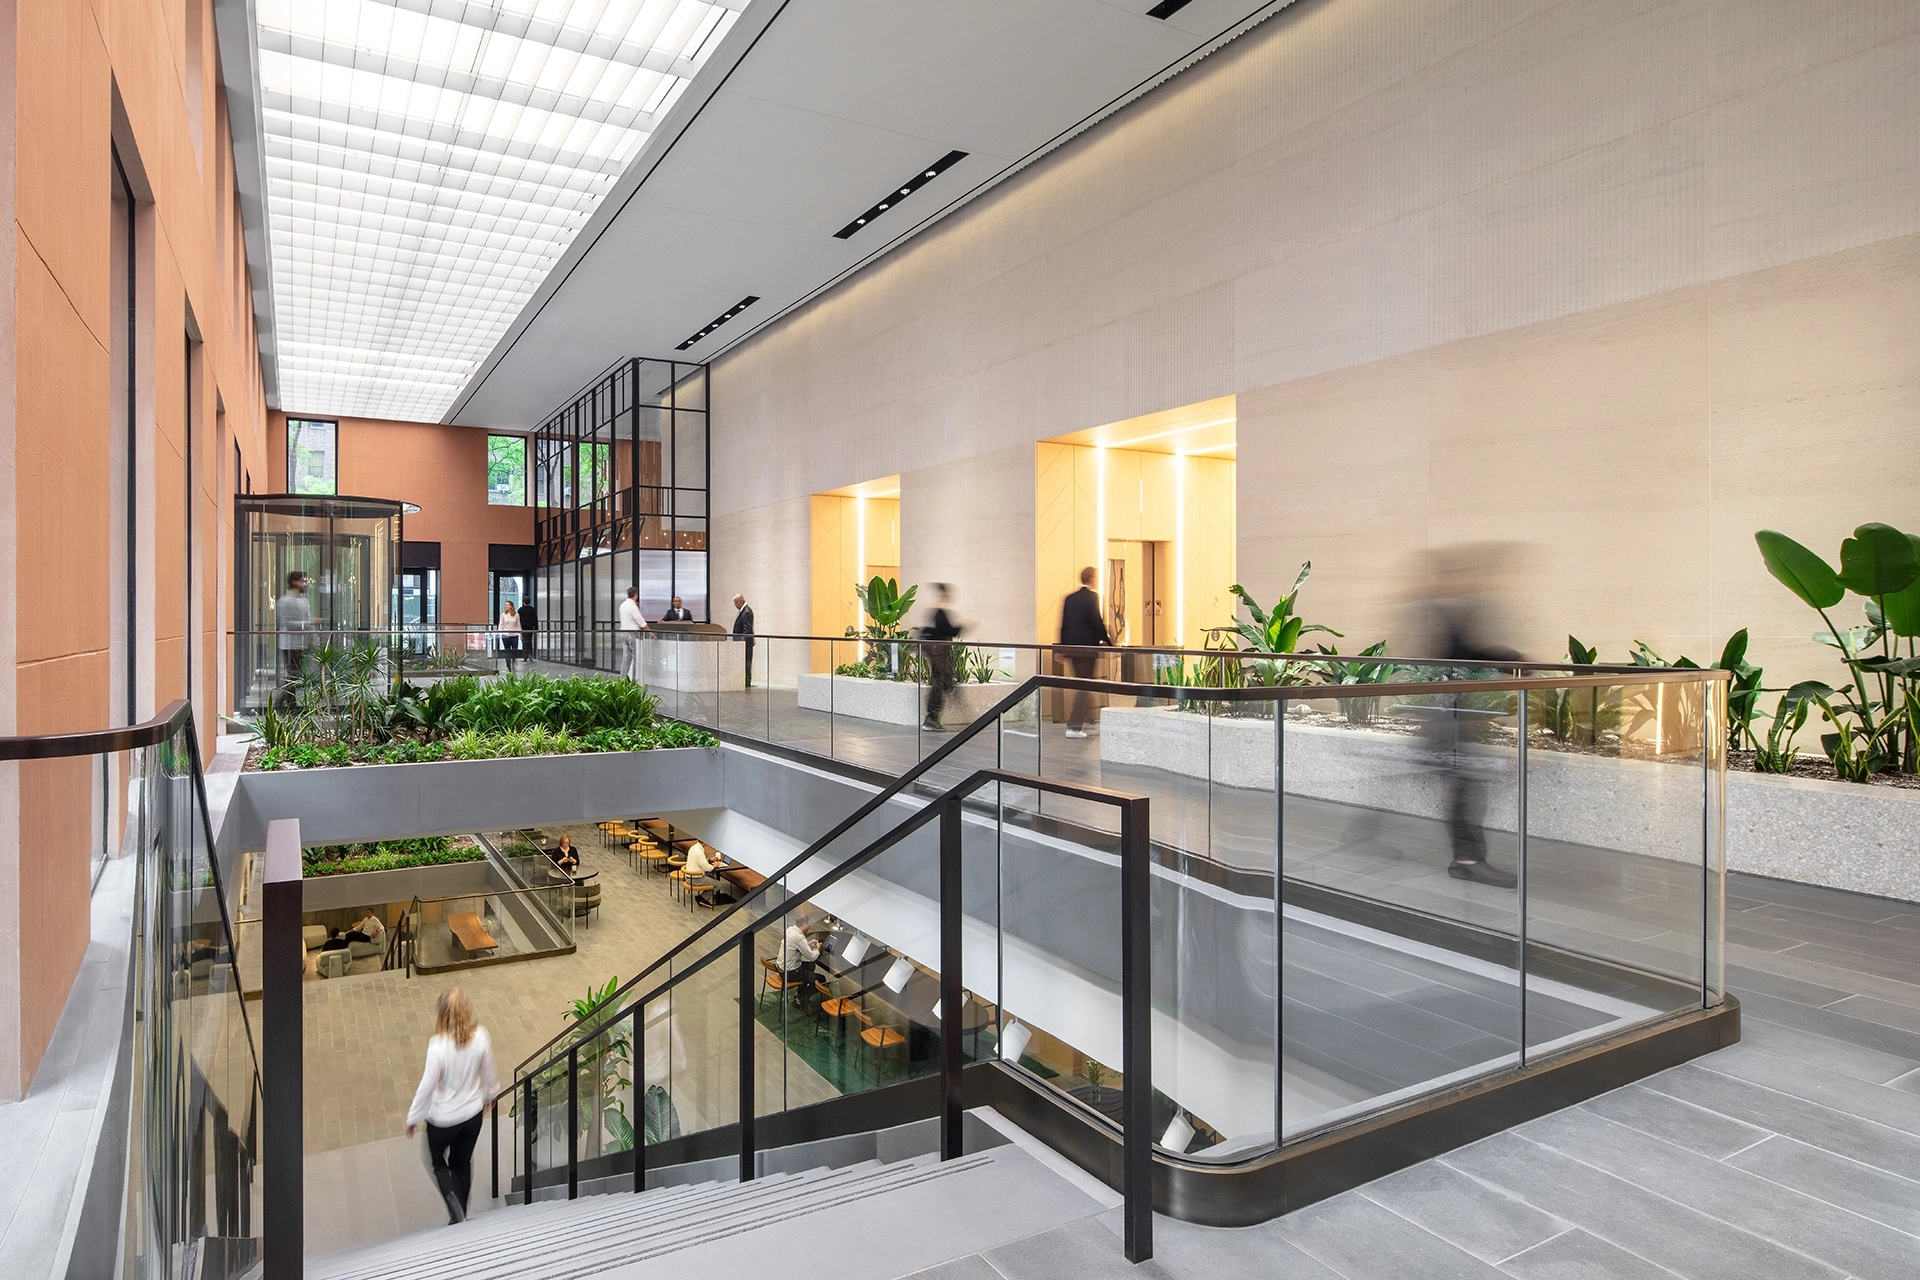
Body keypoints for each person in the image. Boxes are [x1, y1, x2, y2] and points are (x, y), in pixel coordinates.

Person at [406, 988, 497, 1225]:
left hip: (442, 1120)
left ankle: (452, 1205)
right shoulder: (481, 1036)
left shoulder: (438, 1046)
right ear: (466, 1010)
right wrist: (490, 1095)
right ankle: (462, 1212)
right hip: (472, 1115)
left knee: (437, 1162)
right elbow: (489, 1073)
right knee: (462, 1164)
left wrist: (413, 1117)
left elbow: (427, 1086)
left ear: (441, 1016)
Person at [1057, 566, 1111, 739]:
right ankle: (1073, 727)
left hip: (1072, 649)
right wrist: (1111, 644)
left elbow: (1064, 625)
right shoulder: (1092, 597)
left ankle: (1092, 722)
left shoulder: (1069, 598)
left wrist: (1061, 649)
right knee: (1083, 686)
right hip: (1087, 650)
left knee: (1084, 684)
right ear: (1092, 579)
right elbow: (1097, 623)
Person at [921, 584, 965, 732]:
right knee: (939, 681)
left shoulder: (935, 613)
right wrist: (962, 627)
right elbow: (947, 630)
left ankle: (933, 717)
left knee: (939, 681)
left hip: (936, 652)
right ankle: (931, 718)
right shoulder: (939, 612)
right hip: (939, 652)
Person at [275, 570, 314, 709]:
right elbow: (289, 624)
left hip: (302, 643)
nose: (305, 584)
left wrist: (312, 641)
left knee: (296, 675)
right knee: (294, 675)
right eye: (303, 581)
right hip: (290, 644)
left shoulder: (304, 601)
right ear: (294, 582)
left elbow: (306, 623)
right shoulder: (285, 601)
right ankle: (286, 704)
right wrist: (309, 623)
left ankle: (284, 703)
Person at [780, 919, 821, 1009]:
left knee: (810, 966)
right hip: (790, 972)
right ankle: (801, 998)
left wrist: (808, 944)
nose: (809, 928)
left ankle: (799, 992)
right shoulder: (799, 937)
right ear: (805, 924)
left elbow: (796, 945)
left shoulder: (790, 930)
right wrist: (817, 949)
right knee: (820, 979)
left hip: (782, 969)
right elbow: (812, 957)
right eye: (809, 926)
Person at [617, 587, 648, 682]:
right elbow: (641, 622)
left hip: (624, 633)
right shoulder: (632, 607)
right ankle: (634, 680)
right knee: (636, 658)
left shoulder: (623, 605)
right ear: (636, 595)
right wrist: (651, 633)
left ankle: (622, 679)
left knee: (626, 658)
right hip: (633, 634)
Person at [732, 593, 755, 689]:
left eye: (735, 603)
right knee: (743, 663)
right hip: (741, 643)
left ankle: (746, 682)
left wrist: (742, 643)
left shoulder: (747, 612)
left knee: (746, 663)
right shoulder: (743, 611)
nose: (735, 605)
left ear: (740, 602)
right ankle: (742, 681)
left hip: (746, 644)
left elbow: (747, 629)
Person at [498, 601, 521, 670]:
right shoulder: (503, 615)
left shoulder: (516, 615)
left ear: (511, 606)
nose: (506, 606)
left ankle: (513, 662)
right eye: (505, 605)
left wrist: (520, 633)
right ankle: (508, 666)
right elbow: (501, 624)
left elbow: (518, 624)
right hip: (506, 635)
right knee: (507, 651)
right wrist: (500, 633)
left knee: (514, 651)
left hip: (514, 635)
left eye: (507, 605)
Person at [517, 596, 538, 664]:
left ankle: (525, 658)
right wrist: (536, 628)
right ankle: (530, 656)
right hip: (530, 628)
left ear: (523, 602)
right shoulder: (532, 610)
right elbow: (535, 620)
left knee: (524, 643)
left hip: (523, 628)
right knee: (529, 642)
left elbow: (518, 620)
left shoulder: (520, 610)